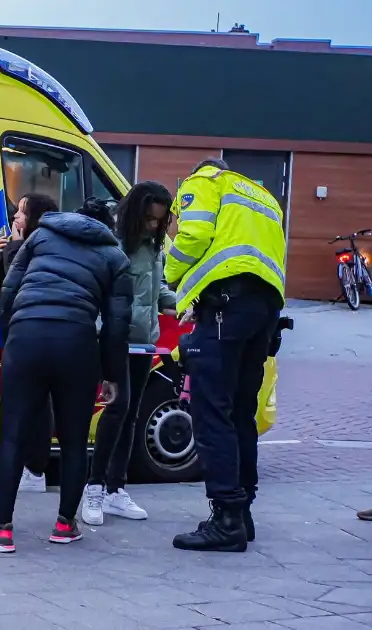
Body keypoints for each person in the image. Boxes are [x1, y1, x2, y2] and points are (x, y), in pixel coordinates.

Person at [0, 198, 131, 554]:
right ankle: (64, 524)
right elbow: (117, 326)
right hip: (77, 343)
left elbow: (10, 287)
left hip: (27, 338)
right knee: (74, 440)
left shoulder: (42, 235)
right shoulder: (116, 258)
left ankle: (1, 529)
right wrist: (112, 375)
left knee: (13, 437)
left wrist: (17, 333)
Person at [166, 158, 286, 553]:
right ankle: (242, 511)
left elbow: (194, 235)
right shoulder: (264, 196)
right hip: (265, 308)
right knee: (239, 413)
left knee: (212, 412)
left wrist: (170, 273)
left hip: (225, 306)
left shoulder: (205, 182)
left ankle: (226, 519)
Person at [81, 182, 176, 526]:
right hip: (115, 338)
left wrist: (177, 304)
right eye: (150, 220)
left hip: (143, 341)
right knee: (118, 407)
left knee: (132, 412)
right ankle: (94, 486)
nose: (154, 226)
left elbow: (157, 288)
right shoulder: (114, 244)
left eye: (160, 221)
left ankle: (115, 489)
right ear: (136, 214)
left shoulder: (154, 247)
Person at [0, 193, 59, 494]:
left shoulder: (44, 247)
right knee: (20, 403)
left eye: (22, 213)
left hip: (36, 334)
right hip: (16, 334)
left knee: (38, 405)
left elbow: (19, 285)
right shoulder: (19, 243)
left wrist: (13, 249)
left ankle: (35, 469)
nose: (15, 217)